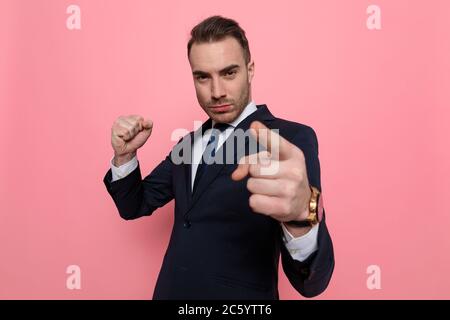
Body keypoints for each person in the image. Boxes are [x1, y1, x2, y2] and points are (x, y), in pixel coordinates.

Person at [103, 15, 334, 299]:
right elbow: (134, 205)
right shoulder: (187, 143)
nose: (217, 92)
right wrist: (124, 156)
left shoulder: (289, 140)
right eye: (203, 77)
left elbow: (312, 283)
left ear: (250, 70)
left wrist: (301, 218)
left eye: (229, 73)